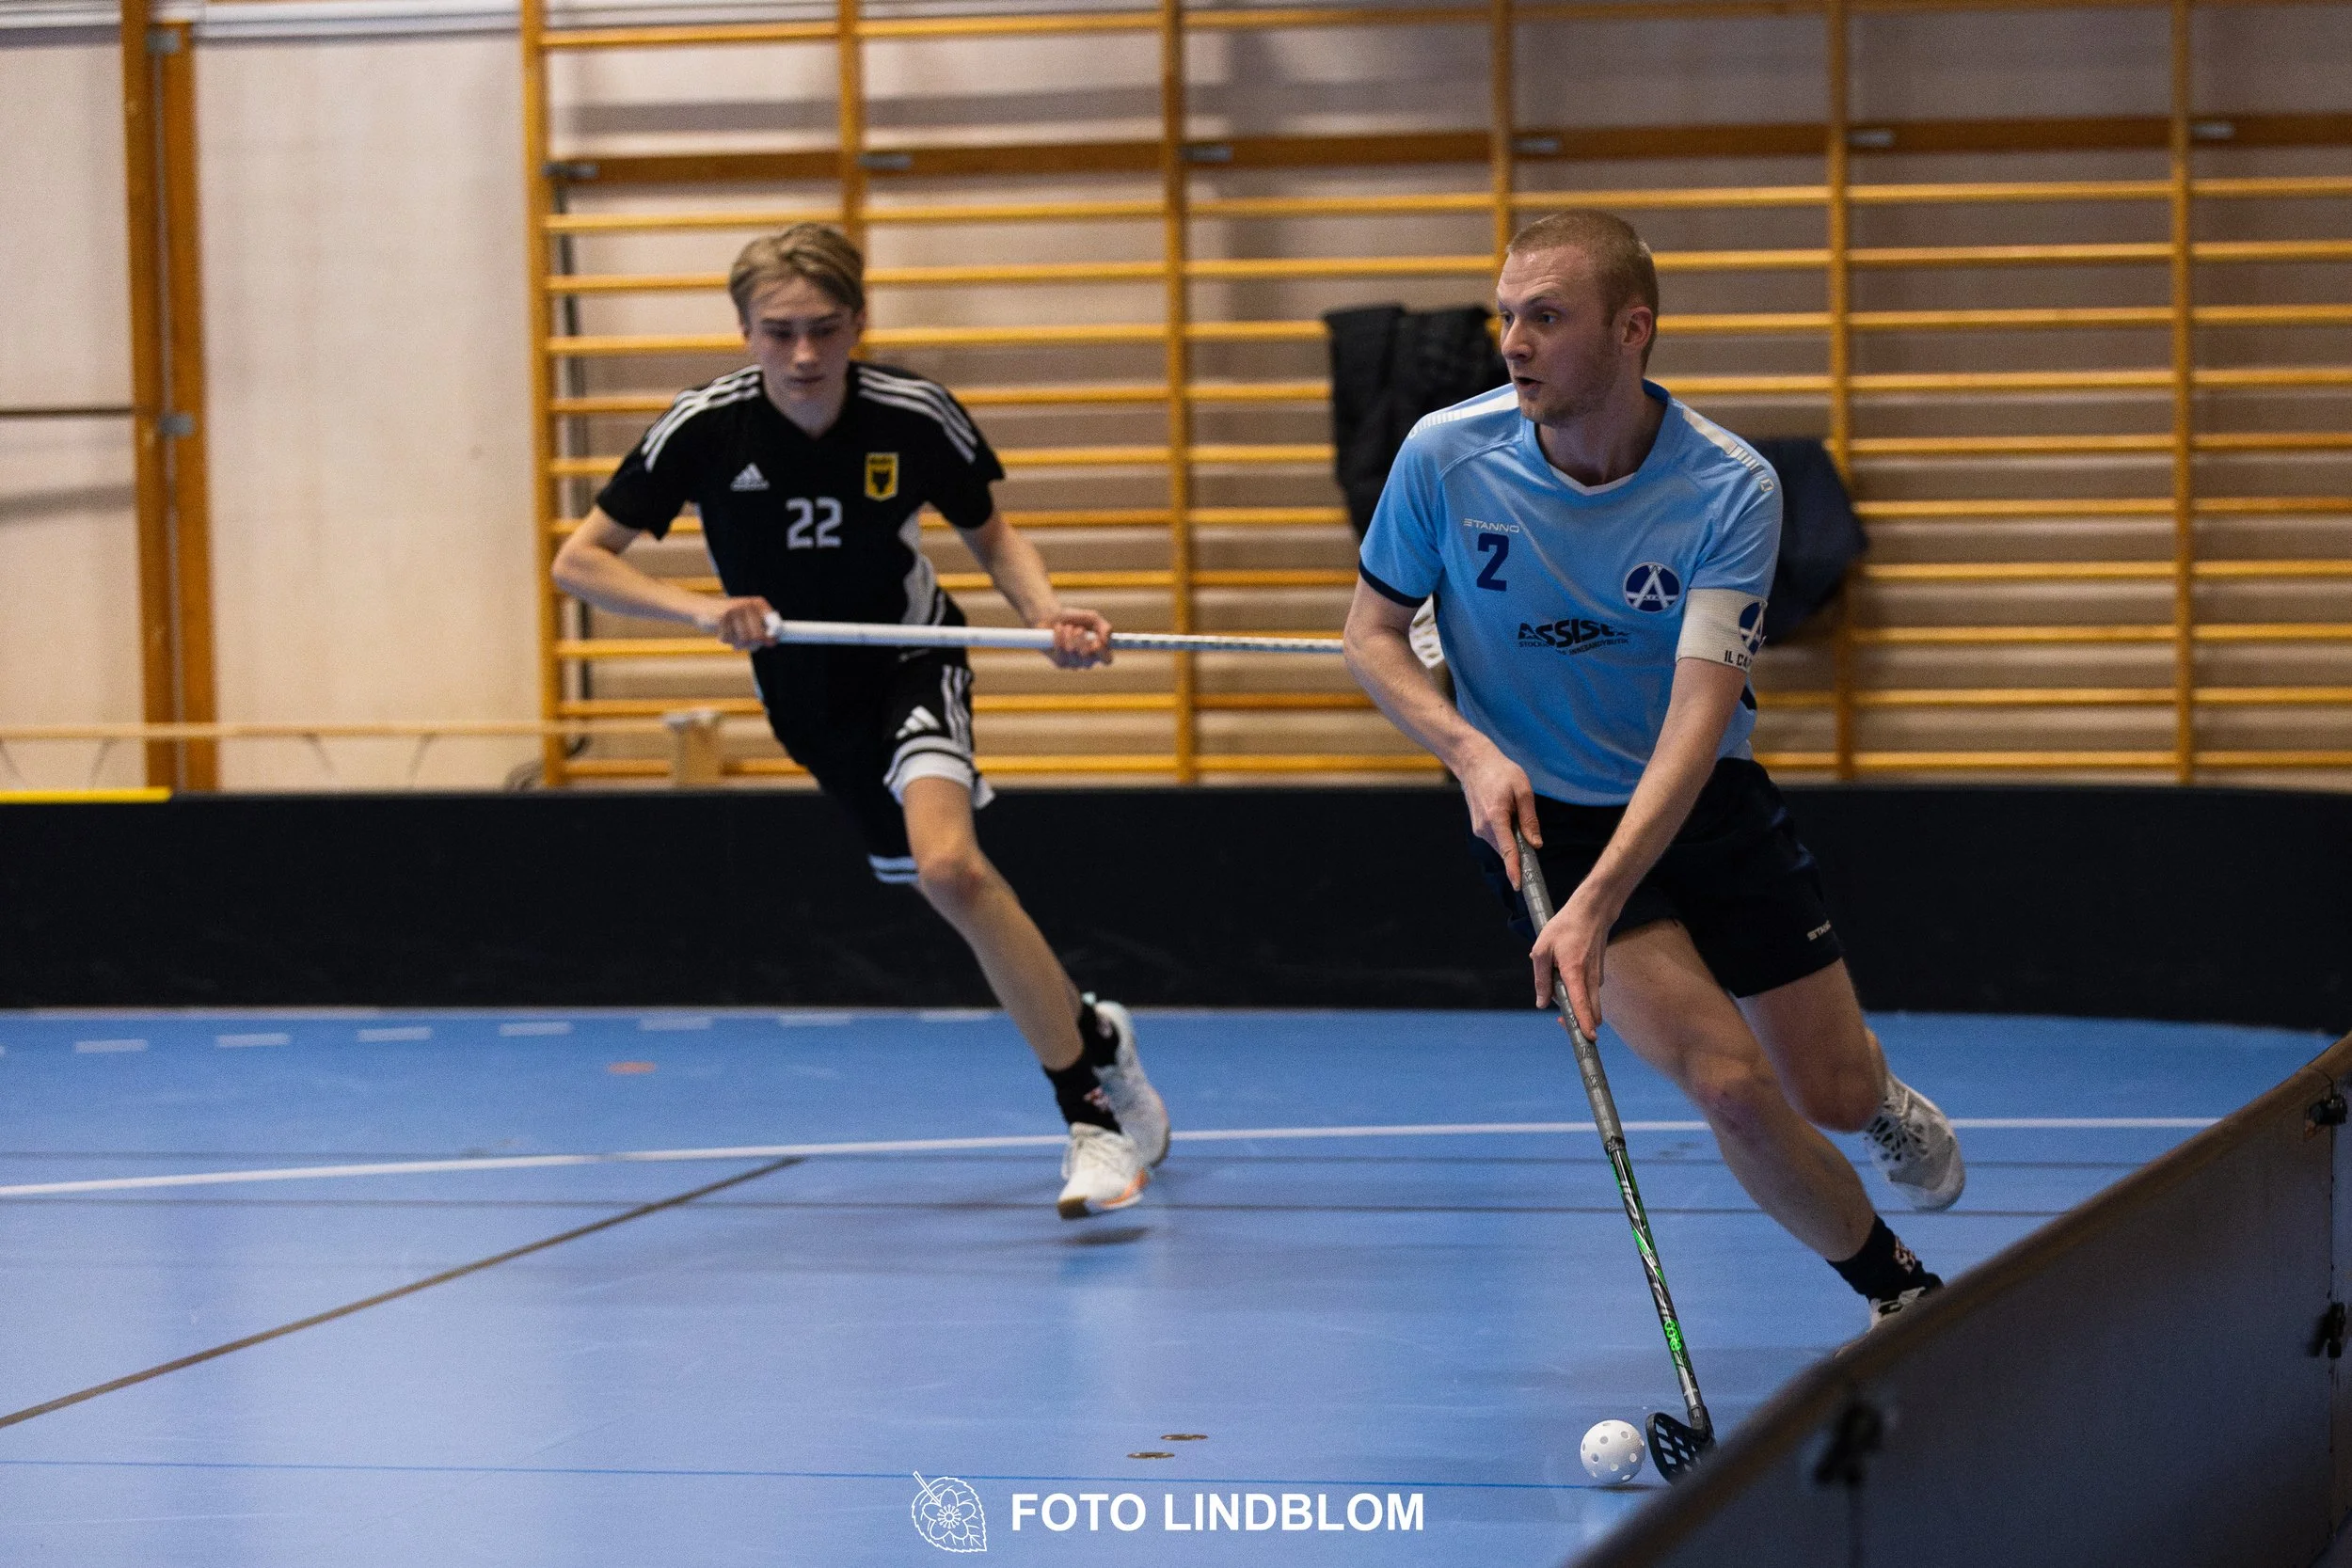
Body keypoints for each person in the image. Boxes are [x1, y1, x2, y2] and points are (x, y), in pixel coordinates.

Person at [1342, 209, 1963, 1327]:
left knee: (1829, 1088)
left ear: (1633, 330)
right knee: (1727, 1084)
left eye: (1545, 315)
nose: (1513, 343)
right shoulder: (1444, 455)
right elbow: (1370, 634)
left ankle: (1876, 1101)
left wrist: (1603, 899)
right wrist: (1471, 751)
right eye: (1505, 316)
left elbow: (1695, 720)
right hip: (1547, 820)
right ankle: (1898, 1290)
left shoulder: (1729, 488)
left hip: (1702, 801)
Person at [551, 223, 1168, 1220]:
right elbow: (580, 561)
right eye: (779, 331)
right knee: (939, 890)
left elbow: (992, 532)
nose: (803, 355)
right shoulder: (703, 428)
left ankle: (1088, 1113)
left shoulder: (912, 414)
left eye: (826, 330)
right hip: (806, 698)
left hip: (911, 657)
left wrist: (1044, 615)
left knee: (950, 866)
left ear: (858, 323)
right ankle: (1092, 1033)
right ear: (745, 330)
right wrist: (702, 610)